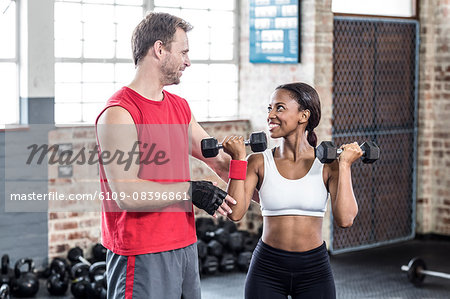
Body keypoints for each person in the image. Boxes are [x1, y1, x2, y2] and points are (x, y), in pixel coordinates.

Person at [95, 12, 236, 299]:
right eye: (183, 52)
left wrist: (275, 189)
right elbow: (127, 194)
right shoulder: (120, 113)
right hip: (142, 252)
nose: (188, 61)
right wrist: (189, 190)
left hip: (184, 247)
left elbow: (220, 162)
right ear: (160, 50)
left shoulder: (179, 108)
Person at [221, 82, 362, 299]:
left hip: (314, 270)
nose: (271, 115)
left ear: (303, 116)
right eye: (269, 108)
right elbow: (235, 213)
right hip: (267, 267)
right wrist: (238, 160)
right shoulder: (258, 161)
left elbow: (346, 219)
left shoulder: (328, 164)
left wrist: (345, 166)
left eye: (279, 108)